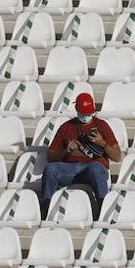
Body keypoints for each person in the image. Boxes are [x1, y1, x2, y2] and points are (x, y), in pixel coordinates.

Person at [39, 92, 120, 221]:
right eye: (84, 113)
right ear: (76, 109)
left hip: (93, 168)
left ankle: (103, 209)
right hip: (70, 169)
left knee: (96, 169)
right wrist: (66, 150)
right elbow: (51, 156)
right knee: (50, 169)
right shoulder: (66, 127)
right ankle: (46, 208)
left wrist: (103, 143)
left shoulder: (101, 125)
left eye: (89, 113)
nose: (87, 116)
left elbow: (117, 156)